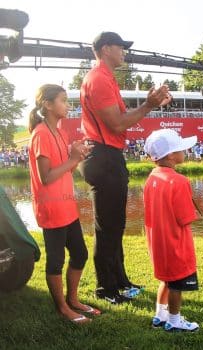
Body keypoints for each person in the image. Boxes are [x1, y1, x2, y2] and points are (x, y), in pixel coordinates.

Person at [79, 31, 172, 304]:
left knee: (115, 224)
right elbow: (118, 124)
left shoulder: (105, 78)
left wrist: (148, 104)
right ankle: (105, 288)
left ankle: (119, 281)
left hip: (108, 154)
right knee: (107, 226)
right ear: (106, 48)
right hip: (103, 155)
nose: (125, 52)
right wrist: (148, 105)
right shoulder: (98, 79)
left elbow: (119, 120)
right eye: (121, 47)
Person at [28, 84, 101, 324]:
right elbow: (46, 177)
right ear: (47, 105)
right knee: (56, 261)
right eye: (63, 100)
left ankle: (73, 300)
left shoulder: (59, 131)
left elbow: (65, 165)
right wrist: (72, 159)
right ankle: (62, 308)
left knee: (80, 254)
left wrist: (76, 153)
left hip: (67, 207)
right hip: (51, 209)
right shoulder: (40, 134)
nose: (67, 105)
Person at [143, 128, 200, 332]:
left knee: (166, 280)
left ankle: (160, 314)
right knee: (177, 285)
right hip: (176, 243)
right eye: (181, 148)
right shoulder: (180, 181)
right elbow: (185, 219)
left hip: (158, 244)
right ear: (170, 156)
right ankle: (174, 321)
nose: (185, 151)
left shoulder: (151, 179)